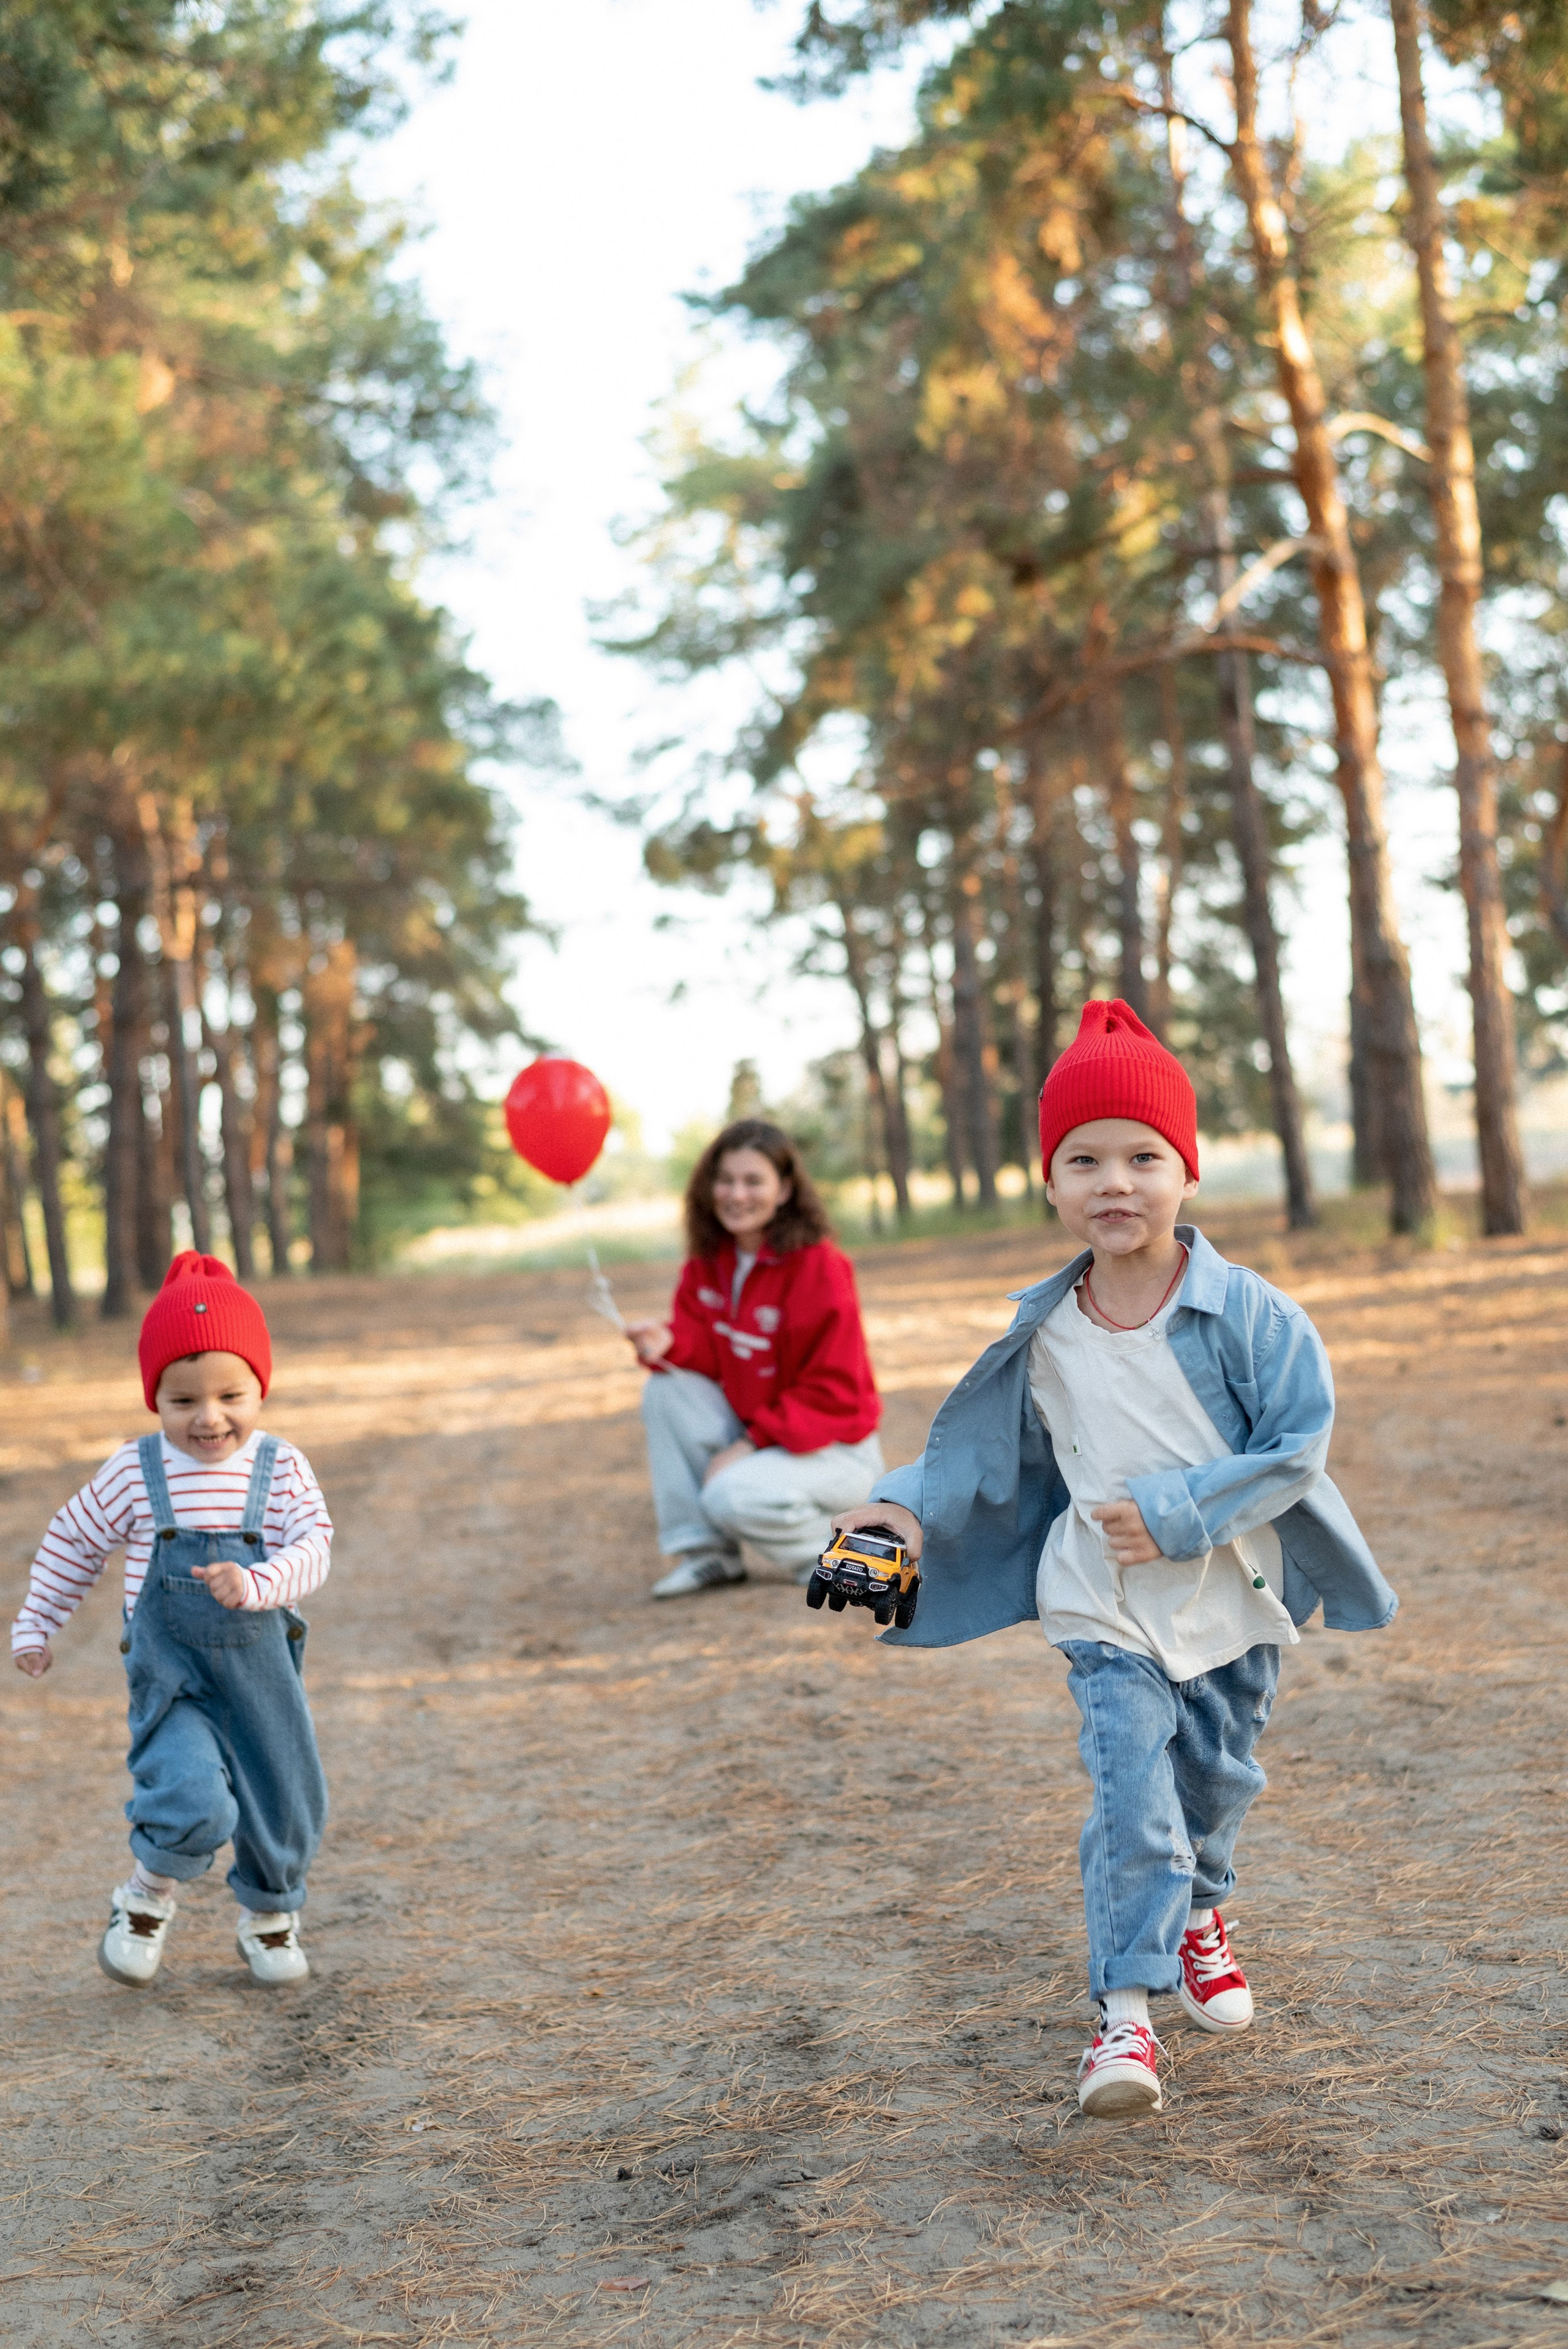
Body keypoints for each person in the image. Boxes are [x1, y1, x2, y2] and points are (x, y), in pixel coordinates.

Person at [831, 1000, 1395, 2117]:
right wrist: (894, 1512)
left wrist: (1182, 1512)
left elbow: (1299, 1447)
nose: (1115, 1182)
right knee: (1132, 1792)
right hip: (1100, 1601)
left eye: (1144, 1156)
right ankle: (1125, 2024)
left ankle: (1200, 1911)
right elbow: (976, 1463)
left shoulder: (1251, 1316)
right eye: (1083, 1159)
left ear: (1187, 1172)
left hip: (1229, 1594)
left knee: (1216, 1785)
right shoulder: (1044, 1334)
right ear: (1051, 1184)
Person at [11, 1252, 333, 1991]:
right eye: (182, 1399)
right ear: (155, 1396)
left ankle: (270, 1914)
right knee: (189, 1795)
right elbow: (74, 1539)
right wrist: (37, 1623)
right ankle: (146, 1897)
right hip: (173, 1676)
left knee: (287, 1797)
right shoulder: (135, 1471)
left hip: (261, 1675)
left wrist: (259, 1581)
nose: (209, 1416)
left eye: (231, 1393)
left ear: (261, 1387)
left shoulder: (281, 1469)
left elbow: (315, 1548)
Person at [626, 1117, 884, 1599]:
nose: (736, 1194)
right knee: (665, 1386)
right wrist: (669, 1342)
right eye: (725, 1180)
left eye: (753, 1181)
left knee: (729, 1493)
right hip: (769, 1441)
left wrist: (746, 1445)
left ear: (784, 1190)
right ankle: (708, 1555)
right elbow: (708, 1348)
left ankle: (848, 1559)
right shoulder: (708, 1262)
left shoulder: (820, 1266)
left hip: (834, 1450)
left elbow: (833, 1390)